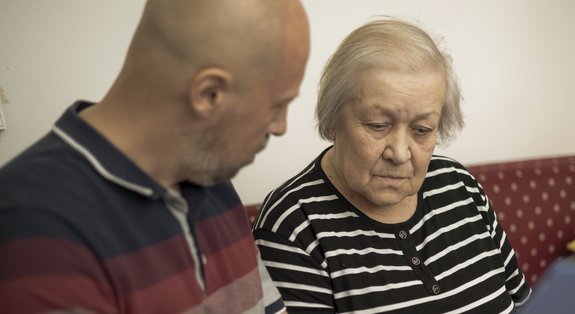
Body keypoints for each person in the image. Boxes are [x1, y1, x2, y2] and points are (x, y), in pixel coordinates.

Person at [0, 0, 309, 313]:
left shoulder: (211, 177)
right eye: (276, 106)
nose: (280, 127)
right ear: (209, 94)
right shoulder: (31, 227)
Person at [252, 18, 531, 313]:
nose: (399, 153)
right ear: (333, 120)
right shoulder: (293, 225)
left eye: (422, 130)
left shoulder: (459, 184)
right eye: (378, 125)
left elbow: (522, 302)